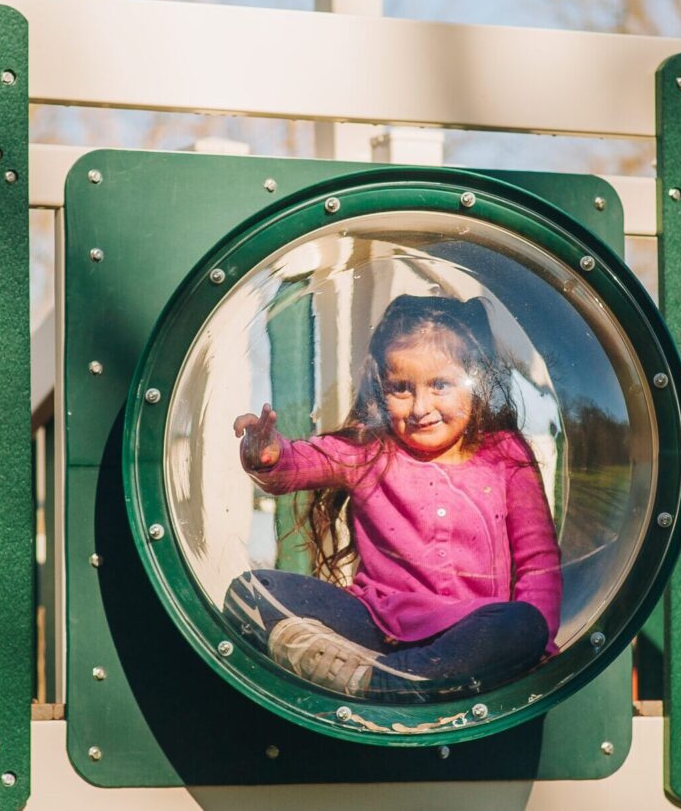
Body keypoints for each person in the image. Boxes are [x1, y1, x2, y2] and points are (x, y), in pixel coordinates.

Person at [227, 294, 562, 702]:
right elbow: (302, 463)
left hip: (469, 633)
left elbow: (538, 563)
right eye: (402, 389)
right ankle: (395, 680)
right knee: (253, 591)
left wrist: (538, 645)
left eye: (440, 385)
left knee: (524, 625)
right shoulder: (372, 452)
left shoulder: (504, 454)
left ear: (477, 381)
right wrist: (269, 454)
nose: (421, 407)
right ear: (381, 390)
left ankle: (385, 681)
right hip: (375, 626)